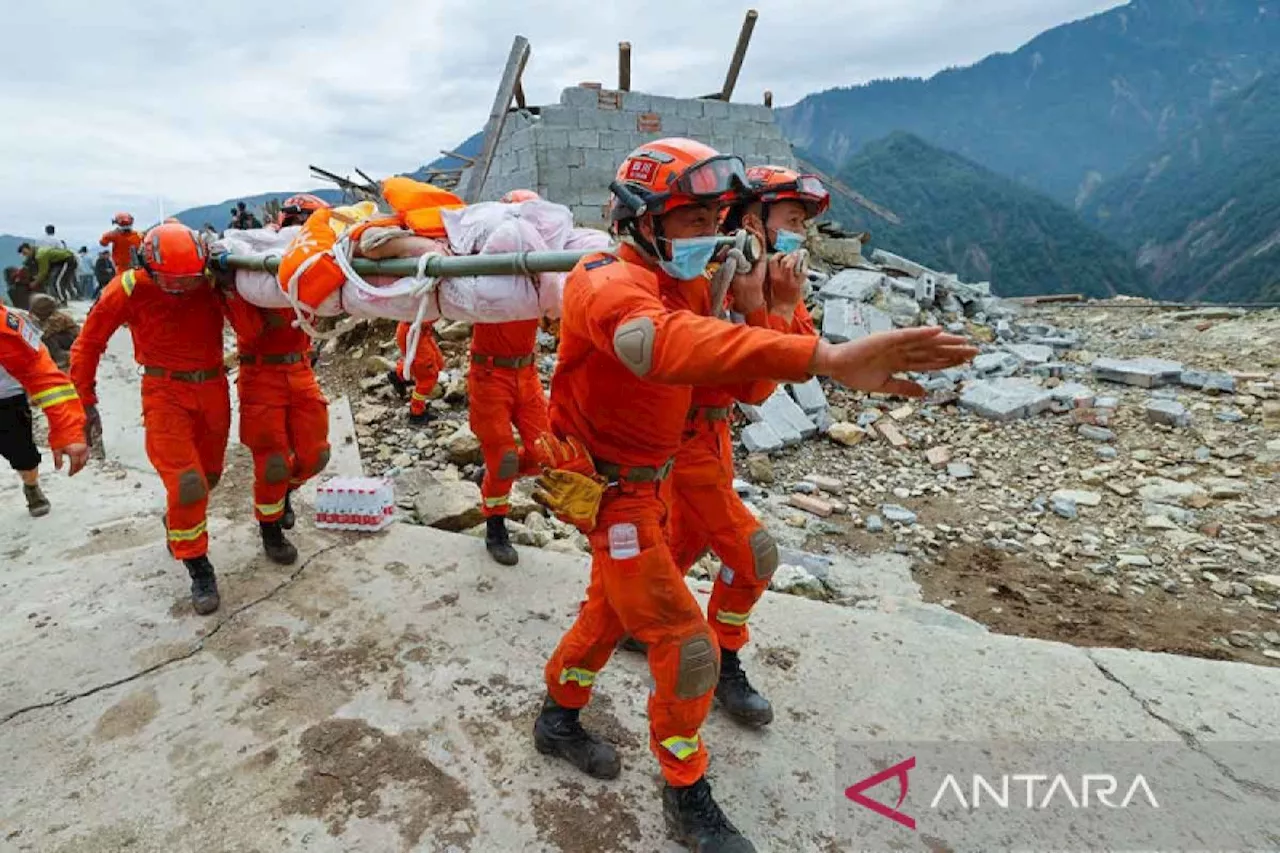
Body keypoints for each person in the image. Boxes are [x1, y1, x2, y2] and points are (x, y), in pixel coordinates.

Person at [530, 138, 977, 852]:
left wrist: (767, 309)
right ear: (640, 219)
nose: (710, 232)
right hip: (614, 495)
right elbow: (660, 346)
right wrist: (822, 355)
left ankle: (557, 714)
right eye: (693, 217)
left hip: (659, 483)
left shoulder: (694, 282)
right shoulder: (604, 278)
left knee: (612, 616)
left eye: (718, 215)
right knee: (688, 646)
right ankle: (685, 789)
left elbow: (739, 388)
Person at [632, 166, 829, 729]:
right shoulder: (709, 281)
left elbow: (802, 356)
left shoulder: (770, 280)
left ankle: (629, 623)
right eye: (792, 221)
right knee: (753, 556)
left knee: (676, 552)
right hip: (687, 442)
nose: (800, 237)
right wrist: (773, 310)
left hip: (715, 440)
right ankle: (726, 657)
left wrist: (782, 306)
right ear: (752, 221)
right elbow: (756, 385)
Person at [71, 223, 231, 615]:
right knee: (188, 483)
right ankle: (198, 565)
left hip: (213, 388)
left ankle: (175, 521)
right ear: (147, 266)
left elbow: (257, 313)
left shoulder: (212, 279)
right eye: (170, 283)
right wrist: (85, 402)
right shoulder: (127, 287)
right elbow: (88, 343)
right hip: (164, 392)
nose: (181, 290)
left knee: (209, 476)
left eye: (188, 281)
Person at [467, 188, 553, 566]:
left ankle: (491, 473)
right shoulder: (482, 267)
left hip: (527, 372)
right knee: (503, 460)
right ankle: (495, 525)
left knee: (546, 454)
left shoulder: (544, 271)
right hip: (489, 376)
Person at [223, 290, 330, 565]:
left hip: (299, 370)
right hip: (260, 376)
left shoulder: (302, 269)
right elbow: (251, 329)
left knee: (316, 455)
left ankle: (284, 493)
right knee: (273, 464)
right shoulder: (240, 280)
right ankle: (269, 529)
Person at [1, 300, 89, 516]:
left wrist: (68, 429)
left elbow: (43, 376)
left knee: (23, 455)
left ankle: (31, 486)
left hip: (6, 398)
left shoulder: (8, 325)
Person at [388, 321, 444, 427]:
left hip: (417, 328)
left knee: (437, 363)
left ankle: (399, 374)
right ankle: (416, 413)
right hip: (415, 329)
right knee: (427, 378)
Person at [27, 293, 80, 369]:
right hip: (64, 337)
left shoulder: (56, 318)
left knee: (48, 339)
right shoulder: (47, 317)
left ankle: (60, 356)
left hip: (72, 338)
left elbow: (45, 333)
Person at [100, 213, 142, 279]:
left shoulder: (114, 235)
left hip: (121, 270)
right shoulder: (138, 235)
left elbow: (103, 242)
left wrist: (113, 232)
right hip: (136, 268)